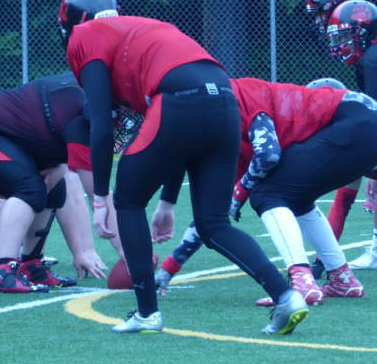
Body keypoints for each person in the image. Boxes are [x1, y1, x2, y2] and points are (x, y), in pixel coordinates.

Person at [60, 0, 308, 335]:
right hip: (223, 100)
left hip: (178, 101)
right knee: (214, 223)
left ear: (74, 19)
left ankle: (147, 312)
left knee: (127, 199)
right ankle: (286, 296)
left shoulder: (85, 34)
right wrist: (168, 201)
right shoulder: (151, 28)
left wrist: (100, 197)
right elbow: (178, 130)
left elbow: (100, 124)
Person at [155, 77, 371, 304]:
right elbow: (212, 218)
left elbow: (268, 155)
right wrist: (170, 267)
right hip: (361, 121)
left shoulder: (239, 98)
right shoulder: (223, 128)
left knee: (268, 195)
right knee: (295, 197)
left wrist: (241, 192)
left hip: (356, 119)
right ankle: (342, 279)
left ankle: (302, 282)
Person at [0, 73, 110, 290]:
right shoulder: (77, 113)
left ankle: (30, 265)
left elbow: (74, 191)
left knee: (53, 188)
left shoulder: (77, 99)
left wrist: (82, 251)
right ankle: (0, 266)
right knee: (28, 187)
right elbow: (96, 194)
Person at [325, 0, 377, 270]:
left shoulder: (372, 60)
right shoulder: (370, 57)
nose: (341, 45)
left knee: (352, 174)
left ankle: (325, 262)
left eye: (346, 37)